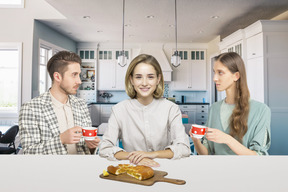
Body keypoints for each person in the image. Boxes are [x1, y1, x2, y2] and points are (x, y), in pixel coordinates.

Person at [99, 54, 191, 167]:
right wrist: (134, 157)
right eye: (138, 77)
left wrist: (152, 154)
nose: (144, 83)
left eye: (150, 77)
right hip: (133, 168)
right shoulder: (119, 110)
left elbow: (184, 148)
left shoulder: (171, 108)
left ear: (158, 79)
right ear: (131, 80)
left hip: (164, 167)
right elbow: (105, 148)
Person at [19, 51, 100, 154]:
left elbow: (86, 149)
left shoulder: (81, 104)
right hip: (51, 170)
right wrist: (61, 139)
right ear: (57, 77)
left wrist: (91, 146)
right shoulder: (30, 108)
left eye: (79, 75)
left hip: (80, 168)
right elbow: (29, 152)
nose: (79, 81)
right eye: (74, 75)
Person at [191, 52, 271, 155]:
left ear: (236, 76)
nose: (214, 78)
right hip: (217, 170)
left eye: (220, 72)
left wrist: (227, 139)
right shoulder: (214, 108)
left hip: (246, 170)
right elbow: (206, 153)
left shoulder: (261, 110)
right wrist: (196, 141)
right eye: (214, 72)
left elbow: (258, 156)